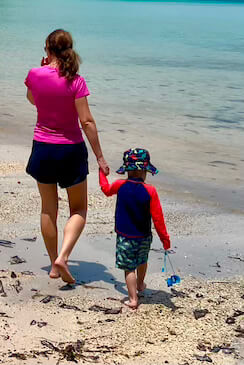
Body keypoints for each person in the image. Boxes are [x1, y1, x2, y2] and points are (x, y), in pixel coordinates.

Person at [25, 28, 109, 284]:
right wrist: (100, 157)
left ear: (47, 49)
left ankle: (53, 265)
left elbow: (32, 100)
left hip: (43, 147)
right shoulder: (76, 80)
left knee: (48, 209)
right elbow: (87, 121)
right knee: (79, 209)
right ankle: (64, 255)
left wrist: (42, 72)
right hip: (71, 149)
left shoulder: (34, 74)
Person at [99, 147, 171, 309]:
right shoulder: (150, 190)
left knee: (129, 268)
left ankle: (133, 299)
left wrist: (101, 174)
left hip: (125, 236)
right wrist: (165, 239)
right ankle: (140, 284)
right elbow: (158, 218)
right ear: (145, 171)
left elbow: (105, 189)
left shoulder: (119, 185)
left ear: (127, 171)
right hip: (144, 236)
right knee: (142, 260)